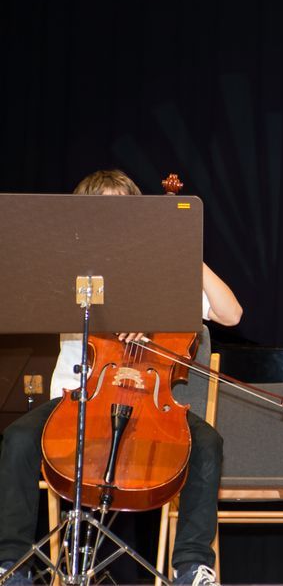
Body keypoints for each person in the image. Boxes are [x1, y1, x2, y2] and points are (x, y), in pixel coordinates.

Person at [0, 169, 241, 586]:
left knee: (207, 444)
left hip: (148, 403)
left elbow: (231, 314)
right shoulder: (67, 272)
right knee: (19, 438)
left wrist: (185, 250)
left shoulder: (162, 273)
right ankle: (11, 563)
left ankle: (192, 566)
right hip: (77, 399)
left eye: (123, 210)